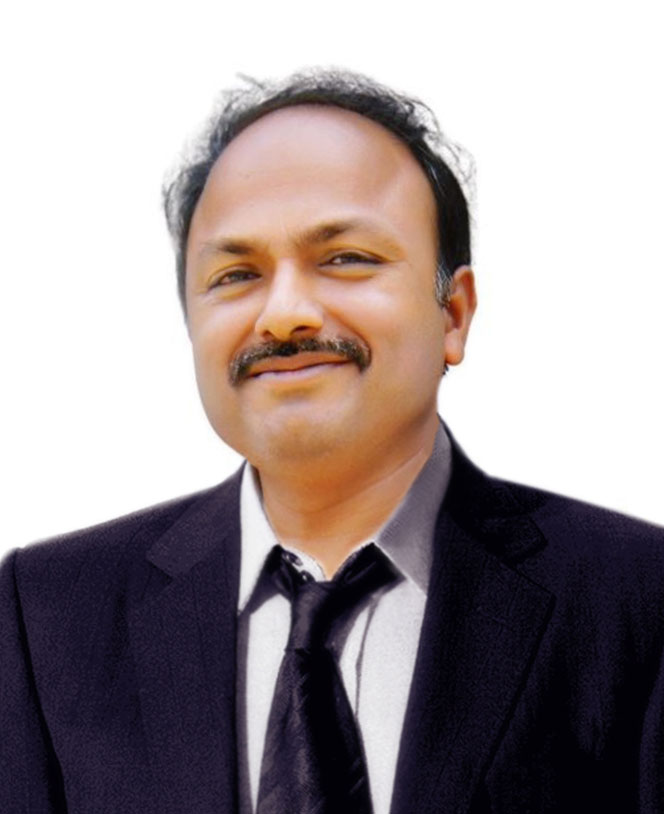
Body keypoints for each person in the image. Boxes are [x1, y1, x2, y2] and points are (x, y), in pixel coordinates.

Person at [1, 69, 663, 814]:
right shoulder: (48, 614)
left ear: (453, 314)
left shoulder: (636, 600)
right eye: (236, 274)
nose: (283, 314)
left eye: (345, 258)